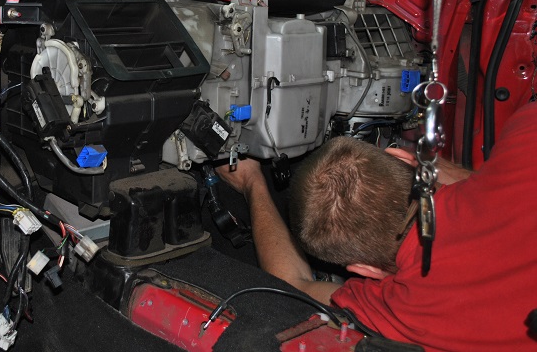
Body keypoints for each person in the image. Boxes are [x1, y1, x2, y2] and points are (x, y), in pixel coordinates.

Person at [216, 102, 537, 352]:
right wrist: (464, 180)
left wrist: (252, 182)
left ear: (364, 270)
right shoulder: (526, 139)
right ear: (406, 158)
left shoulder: (402, 310)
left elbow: (291, 284)